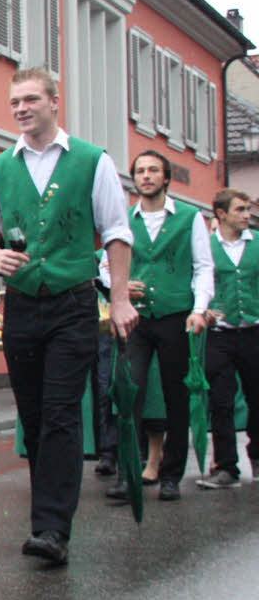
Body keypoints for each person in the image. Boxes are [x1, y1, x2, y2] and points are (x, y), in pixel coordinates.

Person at [0, 66, 138, 566]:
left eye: (31, 99)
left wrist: (120, 298)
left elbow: (117, 232)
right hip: (21, 305)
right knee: (35, 415)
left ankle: (52, 528)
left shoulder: (90, 161)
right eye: (15, 101)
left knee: (61, 412)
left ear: (54, 103)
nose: (21, 108)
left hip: (72, 301)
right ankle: (48, 515)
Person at [103, 150, 212, 503]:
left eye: (153, 170)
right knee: (128, 392)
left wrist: (199, 308)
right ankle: (127, 475)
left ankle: (171, 475)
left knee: (175, 396)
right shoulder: (123, 220)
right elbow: (104, 265)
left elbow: (203, 266)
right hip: (134, 318)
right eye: (140, 171)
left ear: (166, 178)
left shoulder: (189, 218)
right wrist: (117, 286)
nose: (146, 176)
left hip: (175, 315)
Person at [198, 188, 259, 488]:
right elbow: (196, 282)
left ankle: (258, 456)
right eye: (241, 210)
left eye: (247, 210)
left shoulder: (258, 243)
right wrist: (204, 310)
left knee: (257, 397)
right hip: (219, 335)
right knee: (220, 402)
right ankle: (226, 467)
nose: (247, 215)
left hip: (254, 332)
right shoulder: (206, 247)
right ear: (221, 214)